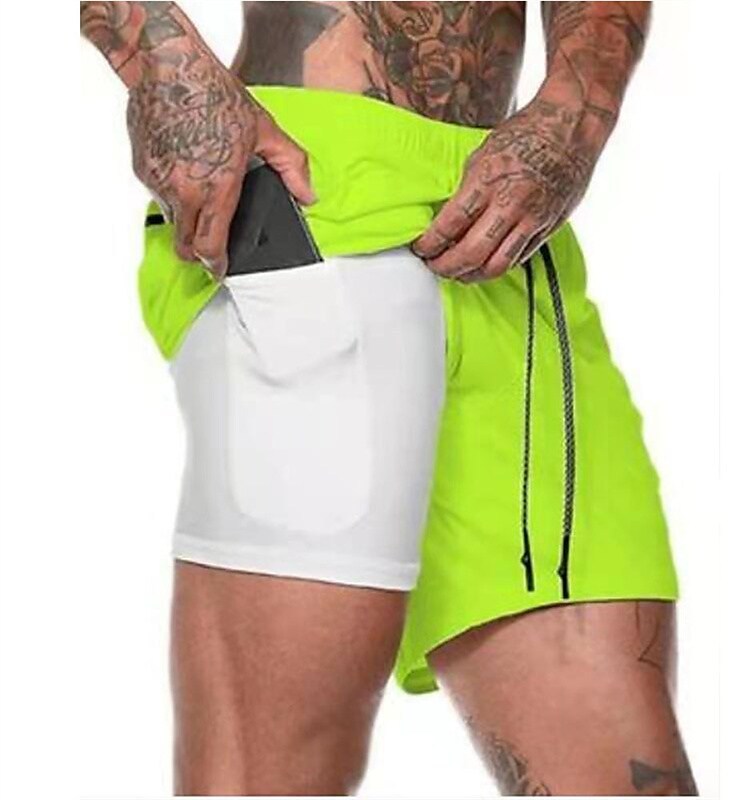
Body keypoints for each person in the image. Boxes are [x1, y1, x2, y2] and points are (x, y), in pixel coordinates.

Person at [79, 2, 696, 795]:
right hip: (309, 200)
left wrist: (576, 114)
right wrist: (163, 58)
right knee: (275, 776)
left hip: (513, 229)